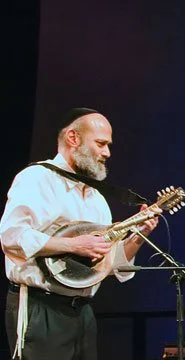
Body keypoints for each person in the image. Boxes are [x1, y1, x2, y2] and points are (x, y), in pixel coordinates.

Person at [0, 108, 160, 360]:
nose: (107, 153)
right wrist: (74, 245)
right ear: (73, 138)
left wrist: (138, 236)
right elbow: (12, 236)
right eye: (100, 144)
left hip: (82, 312)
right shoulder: (37, 179)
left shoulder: (96, 198)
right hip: (42, 307)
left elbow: (105, 265)